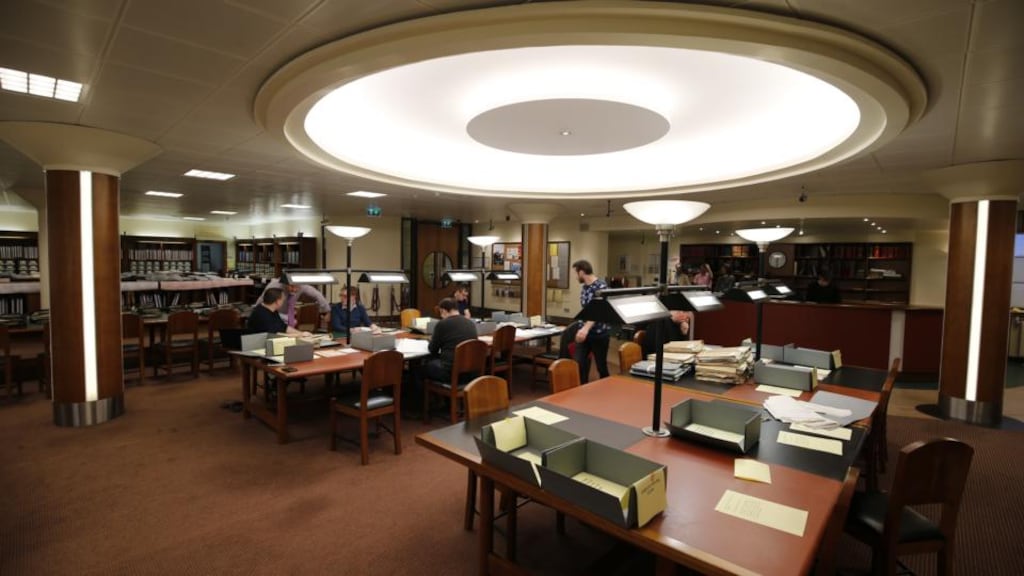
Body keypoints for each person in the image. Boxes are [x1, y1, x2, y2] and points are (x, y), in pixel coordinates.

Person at [412, 298, 480, 412]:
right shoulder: (470, 323)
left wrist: (432, 341)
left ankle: (419, 409)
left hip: (450, 373)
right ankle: (446, 402)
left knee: (418, 370)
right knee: (437, 361)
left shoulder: (442, 324)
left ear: (443, 311)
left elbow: (432, 349)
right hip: (470, 372)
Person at [572, 259, 610, 384]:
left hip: (599, 334)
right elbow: (586, 310)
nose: (575, 277)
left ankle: (607, 388)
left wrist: (585, 328)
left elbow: (598, 311)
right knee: (579, 362)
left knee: (601, 366)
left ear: (581, 272)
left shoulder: (601, 287)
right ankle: (582, 388)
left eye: (576, 273)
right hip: (585, 333)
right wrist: (582, 329)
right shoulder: (585, 287)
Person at [257, 277, 331, 330]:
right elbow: (261, 303)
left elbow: (317, 295)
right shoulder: (275, 285)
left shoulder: (303, 286)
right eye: (292, 286)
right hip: (271, 316)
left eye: (297, 287)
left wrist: (326, 311)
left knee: (291, 326)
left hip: (286, 319)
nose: (294, 289)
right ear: (285, 283)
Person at [246, 288, 311, 336]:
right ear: (277, 302)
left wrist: (301, 333)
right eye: (282, 300)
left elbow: (283, 327)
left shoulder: (273, 310)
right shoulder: (261, 314)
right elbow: (276, 335)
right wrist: (300, 335)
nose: (283, 302)